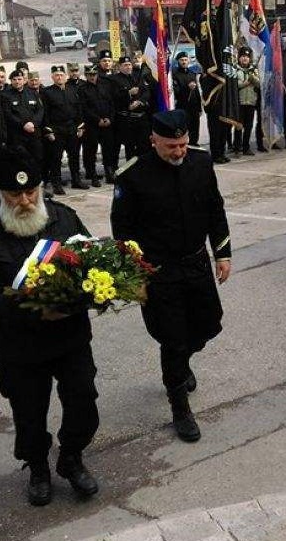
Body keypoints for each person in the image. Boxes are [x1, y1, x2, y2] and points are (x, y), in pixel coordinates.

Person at [0, 145, 100, 507]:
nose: (24, 200)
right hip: (18, 346)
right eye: (15, 194)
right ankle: (37, 465)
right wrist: (37, 311)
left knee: (84, 401)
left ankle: (71, 457)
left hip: (69, 337)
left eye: (31, 191)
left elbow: (92, 268)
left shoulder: (64, 219)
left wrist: (88, 297)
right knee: (28, 412)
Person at [110, 109, 232, 442]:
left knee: (208, 325)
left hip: (196, 263)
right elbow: (122, 230)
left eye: (182, 144)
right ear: (154, 140)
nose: (178, 152)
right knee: (173, 340)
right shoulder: (132, 176)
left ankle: (182, 361)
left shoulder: (201, 162)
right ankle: (179, 406)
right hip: (159, 271)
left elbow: (214, 209)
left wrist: (223, 253)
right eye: (170, 146)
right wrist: (135, 274)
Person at [40, 65, 87, 194]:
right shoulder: (47, 92)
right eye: (56, 75)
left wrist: (81, 126)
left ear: (66, 76)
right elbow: (45, 114)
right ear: (52, 77)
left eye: (61, 75)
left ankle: (76, 180)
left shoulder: (72, 90)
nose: (59, 77)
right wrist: (49, 131)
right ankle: (57, 183)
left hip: (72, 128)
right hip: (57, 129)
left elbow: (79, 109)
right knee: (56, 158)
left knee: (74, 156)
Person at [107, 55, 151, 161]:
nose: (128, 67)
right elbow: (113, 96)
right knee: (129, 147)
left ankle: (143, 168)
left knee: (143, 145)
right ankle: (130, 172)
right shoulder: (114, 79)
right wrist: (128, 94)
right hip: (127, 118)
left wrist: (140, 101)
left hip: (141, 117)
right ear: (119, 67)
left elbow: (146, 91)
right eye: (125, 65)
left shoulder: (137, 77)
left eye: (129, 64)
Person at [1, 69, 46, 170]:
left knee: (37, 157)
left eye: (19, 79)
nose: (17, 81)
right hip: (18, 135)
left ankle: (37, 181)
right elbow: (8, 114)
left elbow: (40, 110)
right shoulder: (5, 96)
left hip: (33, 133)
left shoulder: (32, 93)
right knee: (21, 160)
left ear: (24, 80)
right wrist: (23, 124)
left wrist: (33, 123)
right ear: (11, 81)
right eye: (14, 79)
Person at [233, 48, 261, 156]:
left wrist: (252, 78)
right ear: (239, 58)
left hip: (251, 102)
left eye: (247, 57)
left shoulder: (254, 70)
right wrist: (247, 83)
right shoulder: (236, 70)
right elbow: (236, 85)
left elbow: (259, 84)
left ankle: (246, 147)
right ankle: (237, 147)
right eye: (243, 56)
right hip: (240, 102)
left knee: (249, 127)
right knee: (238, 126)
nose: (245, 58)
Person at [171, 52, 201, 145]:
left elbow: (196, 92)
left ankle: (194, 144)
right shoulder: (174, 74)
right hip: (182, 106)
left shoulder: (192, 73)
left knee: (195, 127)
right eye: (181, 60)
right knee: (184, 128)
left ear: (188, 61)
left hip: (194, 106)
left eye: (185, 60)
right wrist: (188, 88)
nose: (184, 62)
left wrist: (199, 107)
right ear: (178, 61)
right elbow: (176, 92)